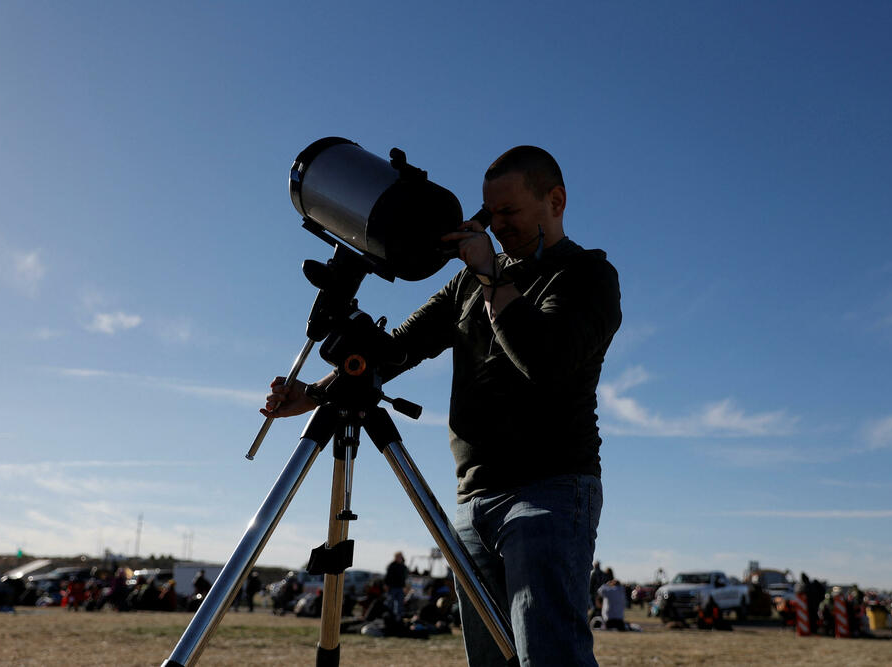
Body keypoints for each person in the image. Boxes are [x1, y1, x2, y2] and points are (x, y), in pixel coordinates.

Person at [262, 146, 622, 666]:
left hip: (550, 491)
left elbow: (546, 360)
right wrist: (316, 392)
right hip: (474, 499)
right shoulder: (469, 284)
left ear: (556, 200)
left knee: (549, 656)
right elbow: (397, 350)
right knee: (490, 659)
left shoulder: (585, 275)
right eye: (489, 213)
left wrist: (492, 280)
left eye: (509, 213)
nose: (495, 227)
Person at [384, 552, 409, 620]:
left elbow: (405, 578)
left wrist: (405, 587)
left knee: (400, 603)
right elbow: (387, 576)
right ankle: (389, 616)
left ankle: (399, 617)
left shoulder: (403, 566)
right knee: (390, 603)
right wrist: (386, 585)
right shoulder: (391, 565)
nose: (399, 558)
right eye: (398, 557)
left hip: (400, 588)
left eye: (400, 557)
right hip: (392, 587)